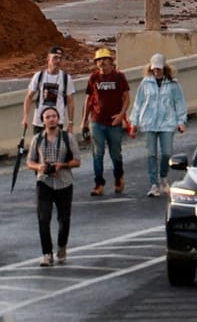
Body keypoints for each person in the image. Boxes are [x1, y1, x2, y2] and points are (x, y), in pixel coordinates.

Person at [127, 54, 186, 197]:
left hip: (167, 122)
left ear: (164, 68)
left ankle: (163, 177)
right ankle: (154, 184)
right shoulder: (145, 83)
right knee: (151, 154)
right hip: (149, 123)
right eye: (154, 69)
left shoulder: (173, 84)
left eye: (159, 69)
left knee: (166, 152)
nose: (157, 72)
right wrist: (133, 122)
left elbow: (179, 102)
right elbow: (138, 103)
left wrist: (181, 121)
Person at [26, 107, 79, 266]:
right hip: (44, 183)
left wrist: (61, 165)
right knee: (43, 218)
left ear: (58, 119)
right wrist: (39, 167)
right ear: (43, 121)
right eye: (48, 117)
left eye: (54, 116)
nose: (51, 119)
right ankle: (47, 254)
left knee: (64, 219)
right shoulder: (37, 139)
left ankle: (62, 246)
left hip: (64, 183)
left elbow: (77, 161)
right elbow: (29, 161)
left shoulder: (67, 138)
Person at [82, 49, 129, 197]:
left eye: (104, 59)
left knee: (115, 153)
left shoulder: (119, 77)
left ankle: (118, 177)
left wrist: (121, 115)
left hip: (114, 122)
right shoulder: (93, 78)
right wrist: (84, 121)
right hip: (97, 121)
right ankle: (99, 183)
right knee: (98, 153)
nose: (101, 62)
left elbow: (126, 97)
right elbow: (89, 100)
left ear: (110, 61)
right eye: (98, 60)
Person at [21, 47, 78, 138]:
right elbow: (29, 97)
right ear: (48, 58)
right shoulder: (39, 76)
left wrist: (70, 123)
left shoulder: (66, 78)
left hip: (57, 122)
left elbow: (70, 101)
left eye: (60, 58)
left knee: (55, 149)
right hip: (39, 122)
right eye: (55, 57)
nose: (58, 60)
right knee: (39, 149)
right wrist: (25, 117)